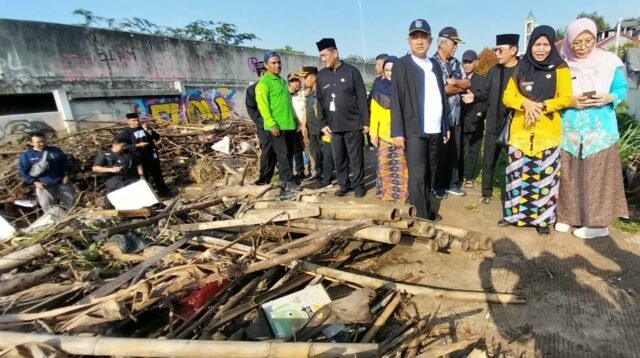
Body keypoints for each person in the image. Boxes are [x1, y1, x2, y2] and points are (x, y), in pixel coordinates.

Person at [556, 18, 629, 239]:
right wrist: (570, 101)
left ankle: (598, 225)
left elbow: (621, 88)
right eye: (577, 42)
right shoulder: (561, 62)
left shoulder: (609, 61)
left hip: (600, 130)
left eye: (588, 41)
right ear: (569, 42)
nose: (583, 47)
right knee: (569, 173)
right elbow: (554, 93)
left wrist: (609, 97)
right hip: (569, 127)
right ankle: (568, 216)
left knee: (597, 176)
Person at [502, 25, 573, 237]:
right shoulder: (521, 68)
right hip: (521, 135)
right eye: (536, 44)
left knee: (544, 178)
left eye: (545, 45)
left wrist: (543, 106)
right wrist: (524, 103)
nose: (540, 49)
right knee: (517, 177)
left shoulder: (560, 68)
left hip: (547, 135)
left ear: (551, 46)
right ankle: (513, 216)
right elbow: (507, 97)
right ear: (530, 45)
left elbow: (567, 98)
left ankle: (542, 220)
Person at [391, 19, 450, 220]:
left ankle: (425, 209)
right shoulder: (402, 65)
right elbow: (396, 98)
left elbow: (441, 96)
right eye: (415, 37)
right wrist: (397, 131)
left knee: (430, 174)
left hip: (434, 129)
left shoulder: (434, 64)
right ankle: (420, 218)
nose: (419, 41)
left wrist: (445, 125)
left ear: (430, 40)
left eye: (423, 37)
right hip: (413, 130)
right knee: (417, 175)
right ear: (408, 40)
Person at [463, 34, 520, 208]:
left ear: (513, 50)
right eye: (495, 50)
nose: (496, 53)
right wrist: (475, 97)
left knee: (515, 162)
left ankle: (513, 194)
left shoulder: (524, 69)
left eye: (500, 50)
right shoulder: (494, 71)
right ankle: (486, 192)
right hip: (494, 122)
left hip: (516, 124)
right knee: (489, 159)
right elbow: (485, 92)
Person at [316, 38, 369, 197]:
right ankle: (343, 184)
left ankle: (359, 185)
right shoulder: (321, 76)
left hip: (353, 124)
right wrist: (322, 123)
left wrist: (365, 123)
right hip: (333, 126)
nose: (323, 59)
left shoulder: (352, 72)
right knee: (339, 158)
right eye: (321, 56)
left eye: (325, 55)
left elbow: (361, 99)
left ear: (335, 53)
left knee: (356, 158)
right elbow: (319, 101)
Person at [433, 27, 471, 198]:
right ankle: (438, 185)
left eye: (457, 43)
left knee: (455, 151)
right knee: (441, 152)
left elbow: (467, 83)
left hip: (456, 115)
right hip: (440, 117)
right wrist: (457, 87)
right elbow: (442, 89)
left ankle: (452, 183)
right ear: (442, 43)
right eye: (453, 43)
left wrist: (455, 82)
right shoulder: (432, 63)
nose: (456, 46)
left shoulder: (456, 63)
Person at [255, 51, 300, 192]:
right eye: (273, 63)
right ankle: (288, 181)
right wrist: (272, 123)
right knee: (282, 154)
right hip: (277, 126)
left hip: (289, 124)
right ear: (266, 65)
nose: (277, 65)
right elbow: (263, 106)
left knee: (289, 153)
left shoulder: (281, 81)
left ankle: (283, 180)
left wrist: (295, 119)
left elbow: (288, 103)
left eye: (279, 62)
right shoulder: (264, 83)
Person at [369, 56, 409, 204]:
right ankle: (388, 194)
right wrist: (373, 132)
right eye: (387, 70)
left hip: (402, 135)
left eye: (393, 69)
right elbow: (374, 113)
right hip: (384, 135)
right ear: (383, 72)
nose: (390, 72)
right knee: (386, 166)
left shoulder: (406, 88)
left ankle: (401, 195)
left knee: (401, 166)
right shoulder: (378, 89)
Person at [18, 132, 76, 213]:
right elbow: (23, 172)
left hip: (62, 182)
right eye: (39, 142)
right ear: (31, 143)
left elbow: (66, 163)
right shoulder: (26, 156)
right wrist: (35, 182)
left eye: (43, 141)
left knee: (71, 204)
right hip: (44, 186)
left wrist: (67, 175)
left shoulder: (55, 150)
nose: (42, 144)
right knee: (49, 208)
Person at [117, 112, 170, 197]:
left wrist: (149, 130)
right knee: (144, 176)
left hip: (151, 155)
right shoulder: (126, 133)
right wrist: (137, 145)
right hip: (138, 157)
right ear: (128, 122)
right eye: (134, 121)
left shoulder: (144, 128)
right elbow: (123, 146)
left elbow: (157, 137)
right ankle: (149, 195)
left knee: (157, 174)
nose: (136, 122)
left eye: (137, 120)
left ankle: (163, 192)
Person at [460, 50, 487, 188]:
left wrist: (481, 113)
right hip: (460, 121)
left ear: (476, 62)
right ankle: (458, 176)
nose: (467, 65)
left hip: (476, 121)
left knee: (473, 151)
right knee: (459, 150)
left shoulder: (482, 80)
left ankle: (469, 177)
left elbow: (487, 98)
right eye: (465, 62)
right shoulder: (458, 78)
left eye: (470, 62)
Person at [246, 61, 277, 185]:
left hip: (278, 125)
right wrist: (264, 123)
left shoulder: (274, 86)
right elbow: (251, 109)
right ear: (263, 73)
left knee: (280, 152)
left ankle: (285, 176)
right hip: (264, 127)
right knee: (267, 152)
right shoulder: (252, 89)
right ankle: (264, 177)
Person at [92, 138, 143, 209]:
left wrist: (140, 172)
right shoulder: (105, 154)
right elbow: (95, 168)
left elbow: (138, 163)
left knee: (134, 196)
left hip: (130, 178)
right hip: (114, 180)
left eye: (125, 146)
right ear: (114, 145)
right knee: (111, 200)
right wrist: (110, 169)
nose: (123, 148)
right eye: (122, 146)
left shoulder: (129, 153)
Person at [299, 66, 326, 184]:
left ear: (313, 77)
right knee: (314, 152)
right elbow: (306, 109)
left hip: (321, 129)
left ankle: (327, 173)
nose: (303, 81)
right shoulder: (309, 93)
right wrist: (304, 125)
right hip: (312, 129)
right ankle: (317, 174)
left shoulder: (322, 92)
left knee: (325, 152)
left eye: (305, 78)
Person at [288, 73, 308, 180]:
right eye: (292, 81)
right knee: (293, 151)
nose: (295, 83)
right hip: (291, 127)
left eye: (297, 81)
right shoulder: (285, 95)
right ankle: (290, 174)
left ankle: (302, 172)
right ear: (289, 83)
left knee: (306, 150)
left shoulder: (303, 94)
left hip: (303, 126)